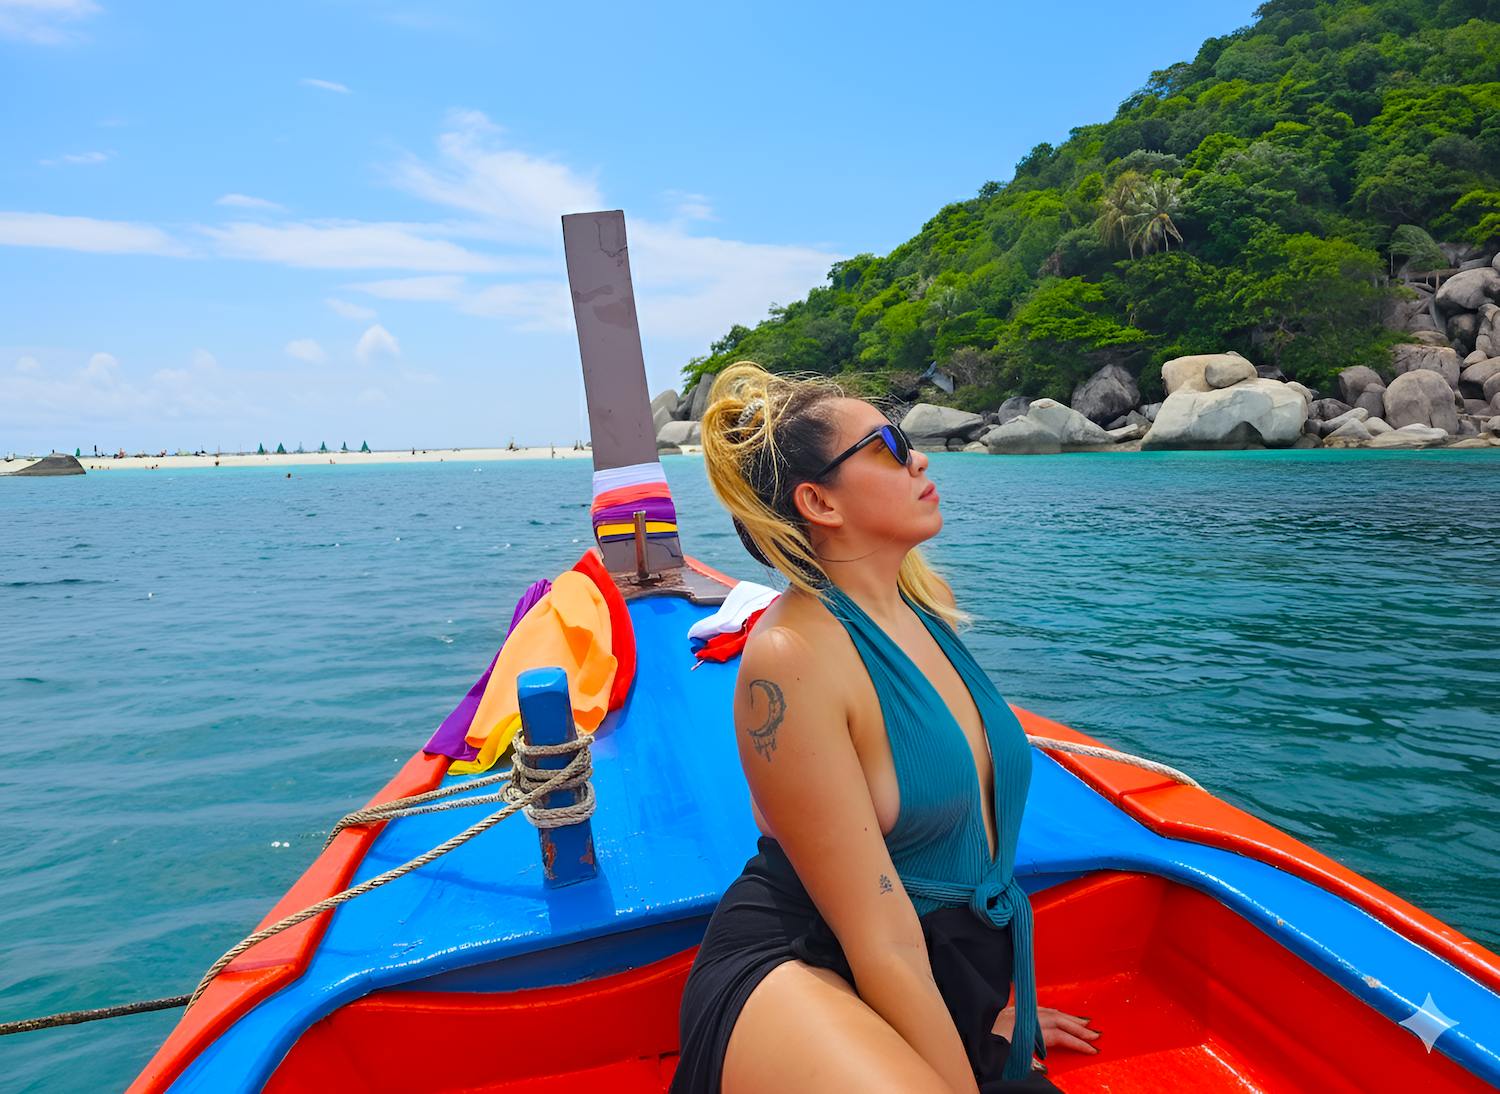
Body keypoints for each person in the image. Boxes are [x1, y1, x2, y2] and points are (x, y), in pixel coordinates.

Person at [671, 364, 1100, 1094]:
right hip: (804, 961)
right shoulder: (791, 656)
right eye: (889, 446)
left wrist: (984, 1009)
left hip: (932, 965)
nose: (920, 458)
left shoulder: (920, 612)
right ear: (819, 502)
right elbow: (879, 936)